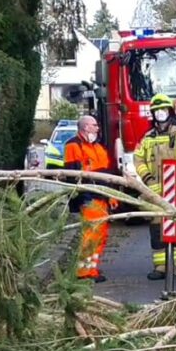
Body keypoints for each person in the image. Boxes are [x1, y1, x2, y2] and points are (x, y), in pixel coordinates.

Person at [133, 94, 176, 281]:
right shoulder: (147, 136)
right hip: (155, 190)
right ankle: (161, 267)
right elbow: (138, 159)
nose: (160, 114)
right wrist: (149, 180)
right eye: (156, 111)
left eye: (163, 110)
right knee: (156, 229)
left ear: (170, 111)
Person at [63, 115, 117, 282]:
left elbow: (107, 175)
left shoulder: (98, 147)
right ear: (85, 127)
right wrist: (81, 197)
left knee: (100, 234)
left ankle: (91, 270)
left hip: (101, 195)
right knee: (91, 235)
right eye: (94, 125)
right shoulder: (73, 145)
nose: (97, 128)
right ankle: (84, 272)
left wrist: (111, 196)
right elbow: (72, 175)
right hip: (88, 195)